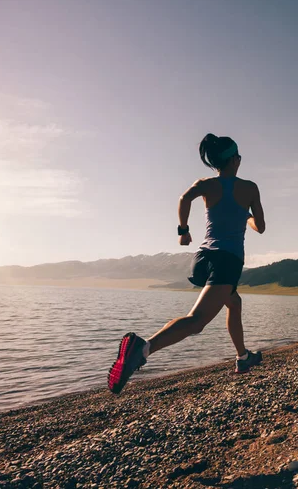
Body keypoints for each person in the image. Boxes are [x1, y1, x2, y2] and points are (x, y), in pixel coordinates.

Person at [108, 134, 266, 394]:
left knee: (234, 303)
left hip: (203, 260)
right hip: (228, 261)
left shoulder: (205, 184)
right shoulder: (250, 188)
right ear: (235, 160)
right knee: (197, 320)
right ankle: (143, 348)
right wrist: (246, 215)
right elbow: (260, 227)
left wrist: (183, 230)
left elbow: (184, 198)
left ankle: (242, 357)